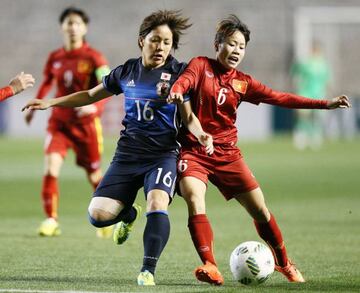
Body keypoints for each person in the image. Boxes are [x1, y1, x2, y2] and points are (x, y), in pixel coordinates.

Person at [23, 10, 213, 286]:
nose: (160, 47)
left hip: (162, 155)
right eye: (155, 40)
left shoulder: (178, 74)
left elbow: (190, 118)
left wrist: (201, 135)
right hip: (127, 155)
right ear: (141, 41)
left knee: (157, 202)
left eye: (167, 42)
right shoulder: (127, 71)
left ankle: (148, 270)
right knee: (97, 216)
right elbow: (90, 95)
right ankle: (128, 213)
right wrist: (50, 103)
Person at [169, 15, 351, 286]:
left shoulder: (243, 82)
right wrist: (176, 89)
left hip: (228, 154)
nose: (236, 51)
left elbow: (281, 97)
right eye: (231, 44)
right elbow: (184, 82)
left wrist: (325, 104)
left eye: (241, 47)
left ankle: (284, 263)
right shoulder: (200, 65)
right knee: (195, 198)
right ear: (217, 44)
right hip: (194, 150)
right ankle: (210, 264)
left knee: (261, 211)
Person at [24, 7, 111, 238]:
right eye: (68, 23)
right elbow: (47, 82)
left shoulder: (95, 58)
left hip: (86, 127)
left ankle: (107, 216)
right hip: (59, 124)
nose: (72, 27)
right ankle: (50, 219)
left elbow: (108, 88)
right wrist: (36, 105)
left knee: (94, 176)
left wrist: (95, 107)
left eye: (77, 23)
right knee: (50, 169)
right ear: (62, 27)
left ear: (85, 28)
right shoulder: (55, 57)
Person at [291, 41, 331, 150]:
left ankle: (315, 137)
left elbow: (326, 79)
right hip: (306, 92)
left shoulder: (323, 64)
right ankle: (302, 136)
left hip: (318, 93)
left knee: (316, 117)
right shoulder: (306, 62)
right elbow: (295, 71)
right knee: (304, 116)